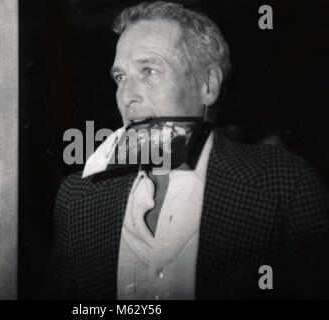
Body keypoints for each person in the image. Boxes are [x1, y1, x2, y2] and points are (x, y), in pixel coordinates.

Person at [46, 1, 329, 299]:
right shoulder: (77, 197)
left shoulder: (286, 185)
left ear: (207, 85)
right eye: (120, 77)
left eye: (148, 71)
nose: (126, 96)